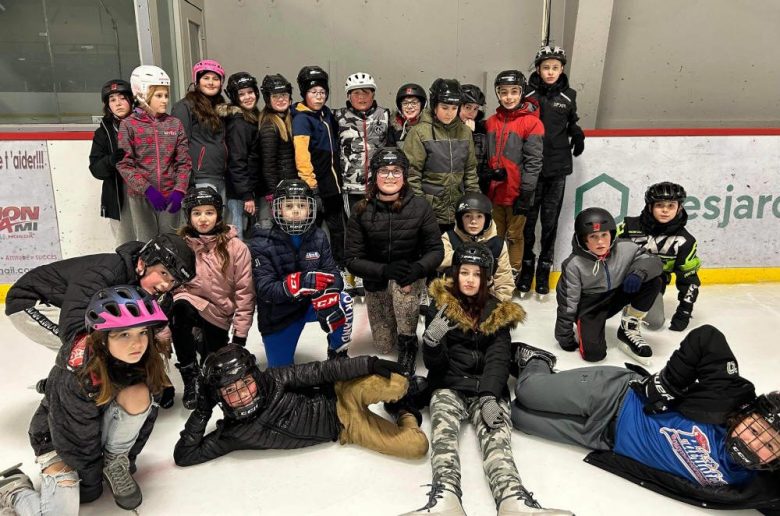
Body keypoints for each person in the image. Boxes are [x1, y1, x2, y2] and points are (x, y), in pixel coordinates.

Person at [511, 325, 780, 513]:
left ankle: (550, 383)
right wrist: (665, 386)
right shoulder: (729, 397)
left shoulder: (755, 484)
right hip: (614, 395)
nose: (754, 444)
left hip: (600, 437)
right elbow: (707, 338)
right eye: (755, 431)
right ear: (749, 414)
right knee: (528, 392)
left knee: (517, 417)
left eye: (769, 447)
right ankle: (537, 360)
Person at [403, 243, 571, 516]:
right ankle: (445, 497)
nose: (469, 280)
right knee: (443, 437)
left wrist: (491, 394)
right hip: (449, 385)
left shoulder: (498, 312)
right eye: (464, 273)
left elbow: (499, 357)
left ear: (487, 278)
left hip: (486, 389)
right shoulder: (440, 308)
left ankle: (512, 500)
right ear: (455, 274)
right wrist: (432, 342)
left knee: (497, 440)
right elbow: (438, 367)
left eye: (477, 274)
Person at [0, 286, 170, 513]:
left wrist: (125, 461)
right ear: (102, 337)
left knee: (138, 393)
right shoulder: (76, 375)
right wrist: (91, 483)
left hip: (96, 428)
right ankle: (14, 489)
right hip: (56, 438)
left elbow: (146, 420)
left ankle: (113, 461)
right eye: (124, 334)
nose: (137, 344)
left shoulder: (145, 361)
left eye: (142, 333)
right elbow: (74, 437)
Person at [172, 344, 429, 466]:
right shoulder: (232, 435)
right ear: (220, 397)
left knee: (396, 382)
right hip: (346, 428)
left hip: (342, 394)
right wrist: (203, 409)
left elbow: (320, 370)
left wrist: (368, 364)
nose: (243, 395)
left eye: (245, 383)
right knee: (417, 446)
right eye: (230, 390)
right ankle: (402, 410)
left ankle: (397, 398)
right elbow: (185, 455)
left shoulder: (275, 379)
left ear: (255, 376)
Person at [5, 233, 195, 354]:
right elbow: (73, 325)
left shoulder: (154, 293)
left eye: (172, 281)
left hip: (67, 305)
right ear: (142, 263)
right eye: (163, 273)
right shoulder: (107, 271)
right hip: (31, 302)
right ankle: (65, 385)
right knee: (87, 347)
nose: (165, 284)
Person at [344, 147, 443, 374]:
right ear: (374, 176)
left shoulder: (420, 207)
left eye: (396, 171)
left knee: (404, 290)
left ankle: (408, 342)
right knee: (383, 345)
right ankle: (391, 330)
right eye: (384, 171)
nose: (390, 177)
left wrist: (418, 269)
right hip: (377, 278)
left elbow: (436, 250)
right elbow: (352, 259)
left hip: (407, 276)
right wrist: (384, 270)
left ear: (404, 176)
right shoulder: (361, 210)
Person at [248, 179, 352, 366]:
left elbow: (335, 276)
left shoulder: (318, 235)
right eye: (289, 205)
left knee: (343, 301)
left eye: (301, 205)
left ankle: (337, 351)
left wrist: (327, 292)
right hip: (279, 313)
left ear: (310, 209)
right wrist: (299, 283)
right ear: (278, 209)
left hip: (310, 304)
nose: (296, 210)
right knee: (281, 375)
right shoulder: (261, 241)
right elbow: (264, 288)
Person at [170, 187, 255, 409]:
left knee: (215, 369)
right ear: (188, 216)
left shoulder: (237, 248)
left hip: (218, 314)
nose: (203, 218)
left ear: (219, 214)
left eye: (209, 212)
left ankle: (203, 350)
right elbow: (169, 286)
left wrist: (240, 338)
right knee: (180, 308)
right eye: (197, 213)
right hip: (189, 304)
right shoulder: (181, 245)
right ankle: (190, 374)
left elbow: (245, 293)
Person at [555, 207, 664, 364]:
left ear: (611, 234)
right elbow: (567, 303)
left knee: (653, 281)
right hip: (591, 306)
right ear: (583, 239)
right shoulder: (573, 265)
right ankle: (590, 330)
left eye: (604, 235)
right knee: (594, 355)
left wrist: (638, 272)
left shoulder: (626, 247)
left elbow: (654, 262)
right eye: (593, 236)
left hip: (616, 295)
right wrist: (564, 335)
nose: (600, 242)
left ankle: (629, 327)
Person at [518, 46, 585, 296]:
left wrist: (576, 132)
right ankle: (526, 268)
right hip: (531, 169)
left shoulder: (569, 95)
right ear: (538, 68)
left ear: (562, 69)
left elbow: (572, 121)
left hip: (557, 168)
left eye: (555, 68)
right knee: (527, 223)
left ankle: (544, 269)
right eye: (546, 67)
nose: (550, 72)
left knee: (550, 223)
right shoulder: (527, 94)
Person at [116, 65, 192, 241]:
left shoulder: (174, 124)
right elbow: (124, 164)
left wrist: (179, 190)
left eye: (166, 95)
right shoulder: (129, 125)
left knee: (171, 242)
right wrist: (147, 190)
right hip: (141, 196)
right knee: (146, 243)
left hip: (170, 193)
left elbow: (184, 162)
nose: (165, 100)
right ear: (143, 95)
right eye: (159, 95)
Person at [483, 70, 544, 287]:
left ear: (522, 92)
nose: (509, 97)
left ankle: (513, 273)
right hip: (494, 193)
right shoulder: (490, 122)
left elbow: (534, 162)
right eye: (504, 92)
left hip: (517, 192)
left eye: (514, 92)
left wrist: (526, 193)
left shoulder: (531, 123)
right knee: (495, 235)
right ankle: (495, 274)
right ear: (498, 94)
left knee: (514, 235)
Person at [335, 72, 392, 297]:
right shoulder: (338, 117)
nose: (361, 97)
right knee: (353, 230)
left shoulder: (385, 115)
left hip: (378, 186)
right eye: (356, 93)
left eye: (365, 92)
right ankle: (352, 273)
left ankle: (373, 270)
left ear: (373, 94)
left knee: (376, 230)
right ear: (349, 96)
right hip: (351, 186)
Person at [618, 182, 701, 331]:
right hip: (619, 279)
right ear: (650, 206)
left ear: (679, 207)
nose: (665, 210)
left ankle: (631, 304)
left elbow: (689, 280)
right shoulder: (628, 227)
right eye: (659, 205)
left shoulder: (685, 241)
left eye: (671, 206)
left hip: (651, 285)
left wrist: (684, 312)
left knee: (655, 323)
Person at [404, 78, 479, 233]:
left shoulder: (465, 132)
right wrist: (420, 206)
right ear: (434, 105)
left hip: (458, 208)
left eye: (454, 108)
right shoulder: (419, 133)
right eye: (444, 107)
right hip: (429, 210)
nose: (449, 113)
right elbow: (412, 174)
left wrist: (474, 203)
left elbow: (470, 171)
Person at [291, 66, 346, 269]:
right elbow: (302, 154)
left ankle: (339, 265)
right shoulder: (301, 119)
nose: (319, 97)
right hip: (317, 185)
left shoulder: (326, 114)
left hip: (334, 186)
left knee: (338, 229)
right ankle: (312, 267)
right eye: (314, 92)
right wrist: (310, 184)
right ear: (305, 94)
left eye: (322, 92)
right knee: (313, 230)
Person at [439, 192, 514, 302]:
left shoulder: (497, 244)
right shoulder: (449, 237)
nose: (473, 221)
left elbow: (504, 282)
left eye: (479, 216)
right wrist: (464, 255)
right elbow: (440, 262)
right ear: (460, 220)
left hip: (485, 301)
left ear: (486, 219)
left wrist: (495, 307)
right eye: (468, 216)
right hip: (453, 300)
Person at [171, 59, 228, 200]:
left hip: (221, 175)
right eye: (206, 78)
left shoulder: (221, 107)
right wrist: (186, 179)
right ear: (197, 81)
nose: (211, 82)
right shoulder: (185, 106)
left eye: (216, 79)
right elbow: (178, 145)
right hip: (199, 177)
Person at [89, 79, 135, 245]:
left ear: (131, 100)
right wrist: (110, 161)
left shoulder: (146, 124)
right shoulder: (103, 132)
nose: (118, 103)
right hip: (119, 196)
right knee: (124, 244)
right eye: (112, 100)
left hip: (146, 193)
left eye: (122, 98)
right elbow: (95, 169)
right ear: (108, 105)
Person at [249, 74, 296, 229]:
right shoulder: (269, 125)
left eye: (284, 95)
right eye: (276, 96)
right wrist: (273, 193)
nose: (281, 99)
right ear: (268, 99)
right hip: (275, 191)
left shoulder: (289, 120)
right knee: (270, 231)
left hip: (287, 187)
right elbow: (268, 164)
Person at [220, 72, 261, 240]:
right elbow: (237, 161)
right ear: (235, 97)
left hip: (246, 190)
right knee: (238, 237)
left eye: (250, 92)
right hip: (239, 194)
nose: (247, 97)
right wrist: (246, 195)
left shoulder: (251, 117)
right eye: (242, 94)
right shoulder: (239, 122)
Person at [459, 84, 489, 187]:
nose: (472, 113)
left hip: (475, 187)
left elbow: (481, 162)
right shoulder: (446, 128)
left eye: (475, 109)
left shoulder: (482, 131)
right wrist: (466, 134)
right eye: (468, 107)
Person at [388, 83, 426, 148]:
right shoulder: (393, 130)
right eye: (405, 103)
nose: (409, 106)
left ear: (422, 106)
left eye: (414, 103)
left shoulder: (430, 128)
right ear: (400, 107)